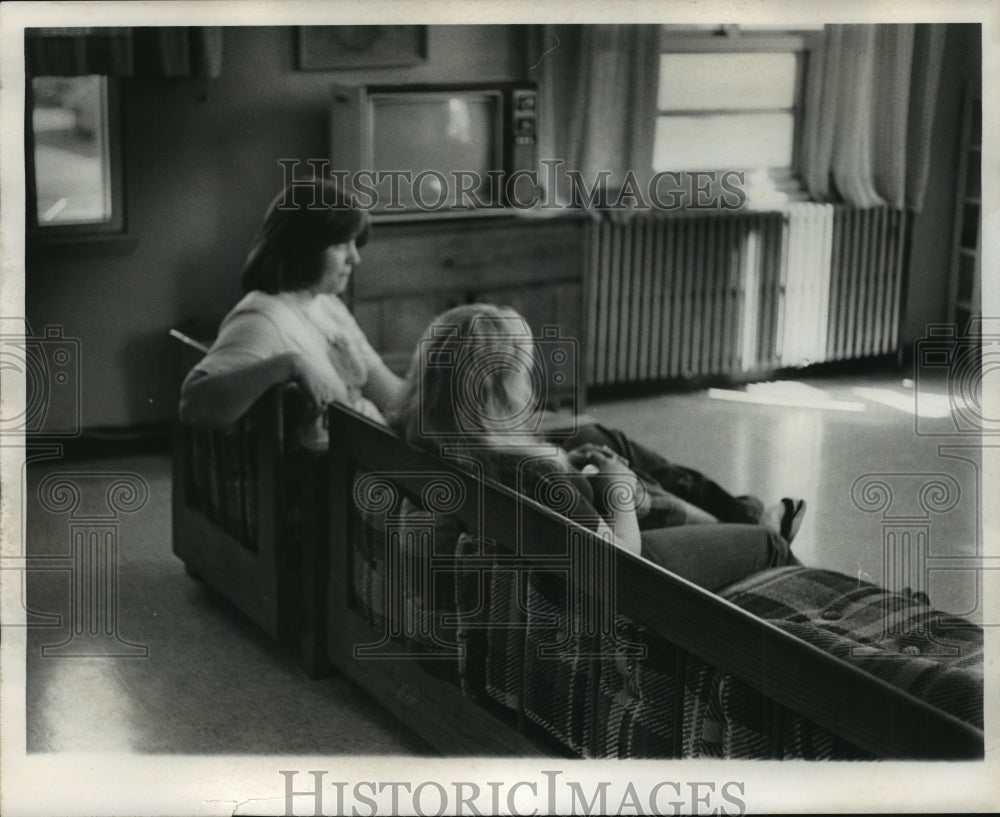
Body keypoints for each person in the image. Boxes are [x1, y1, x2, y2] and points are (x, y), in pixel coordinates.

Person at [387, 303, 801, 592]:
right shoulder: (536, 474)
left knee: (595, 438)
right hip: (630, 580)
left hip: (561, 546)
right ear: (499, 392)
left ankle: (741, 517)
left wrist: (569, 464)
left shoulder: (422, 433)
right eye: (523, 370)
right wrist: (618, 487)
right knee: (768, 546)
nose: (531, 380)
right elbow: (618, 567)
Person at [179, 178, 403, 448]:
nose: (355, 258)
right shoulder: (262, 318)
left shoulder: (326, 303)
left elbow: (387, 391)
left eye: (354, 244)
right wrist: (288, 364)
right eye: (341, 245)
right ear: (304, 247)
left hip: (370, 455)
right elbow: (193, 405)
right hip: (340, 477)